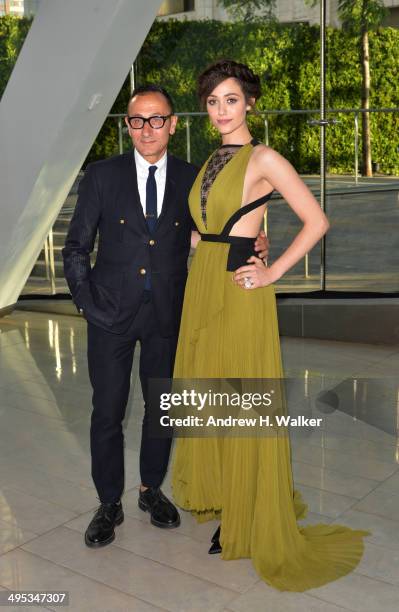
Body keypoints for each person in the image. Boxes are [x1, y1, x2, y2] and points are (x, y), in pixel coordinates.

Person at [171, 60, 370, 591]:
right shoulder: (214, 157)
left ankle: (246, 516)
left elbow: (317, 219)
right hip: (204, 285)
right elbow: (209, 230)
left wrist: (273, 270)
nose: (220, 111)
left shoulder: (264, 157)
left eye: (230, 100)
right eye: (212, 101)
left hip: (240, 291)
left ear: (250, 103)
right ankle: (225, 493)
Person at [62, 84, 268, 548]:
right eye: (137, 120)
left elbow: (212, 234)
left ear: (173, 125)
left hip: (169, 315)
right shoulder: (101, 175)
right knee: (107, 412)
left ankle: (150, 489)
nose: (147, 129)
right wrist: (87, 302)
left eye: (157, 119)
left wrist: (253, 244)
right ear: (128, 126)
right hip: (110, 315)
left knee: (161, 411)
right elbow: (75, 247)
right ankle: (108, 501)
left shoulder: (192, 178)